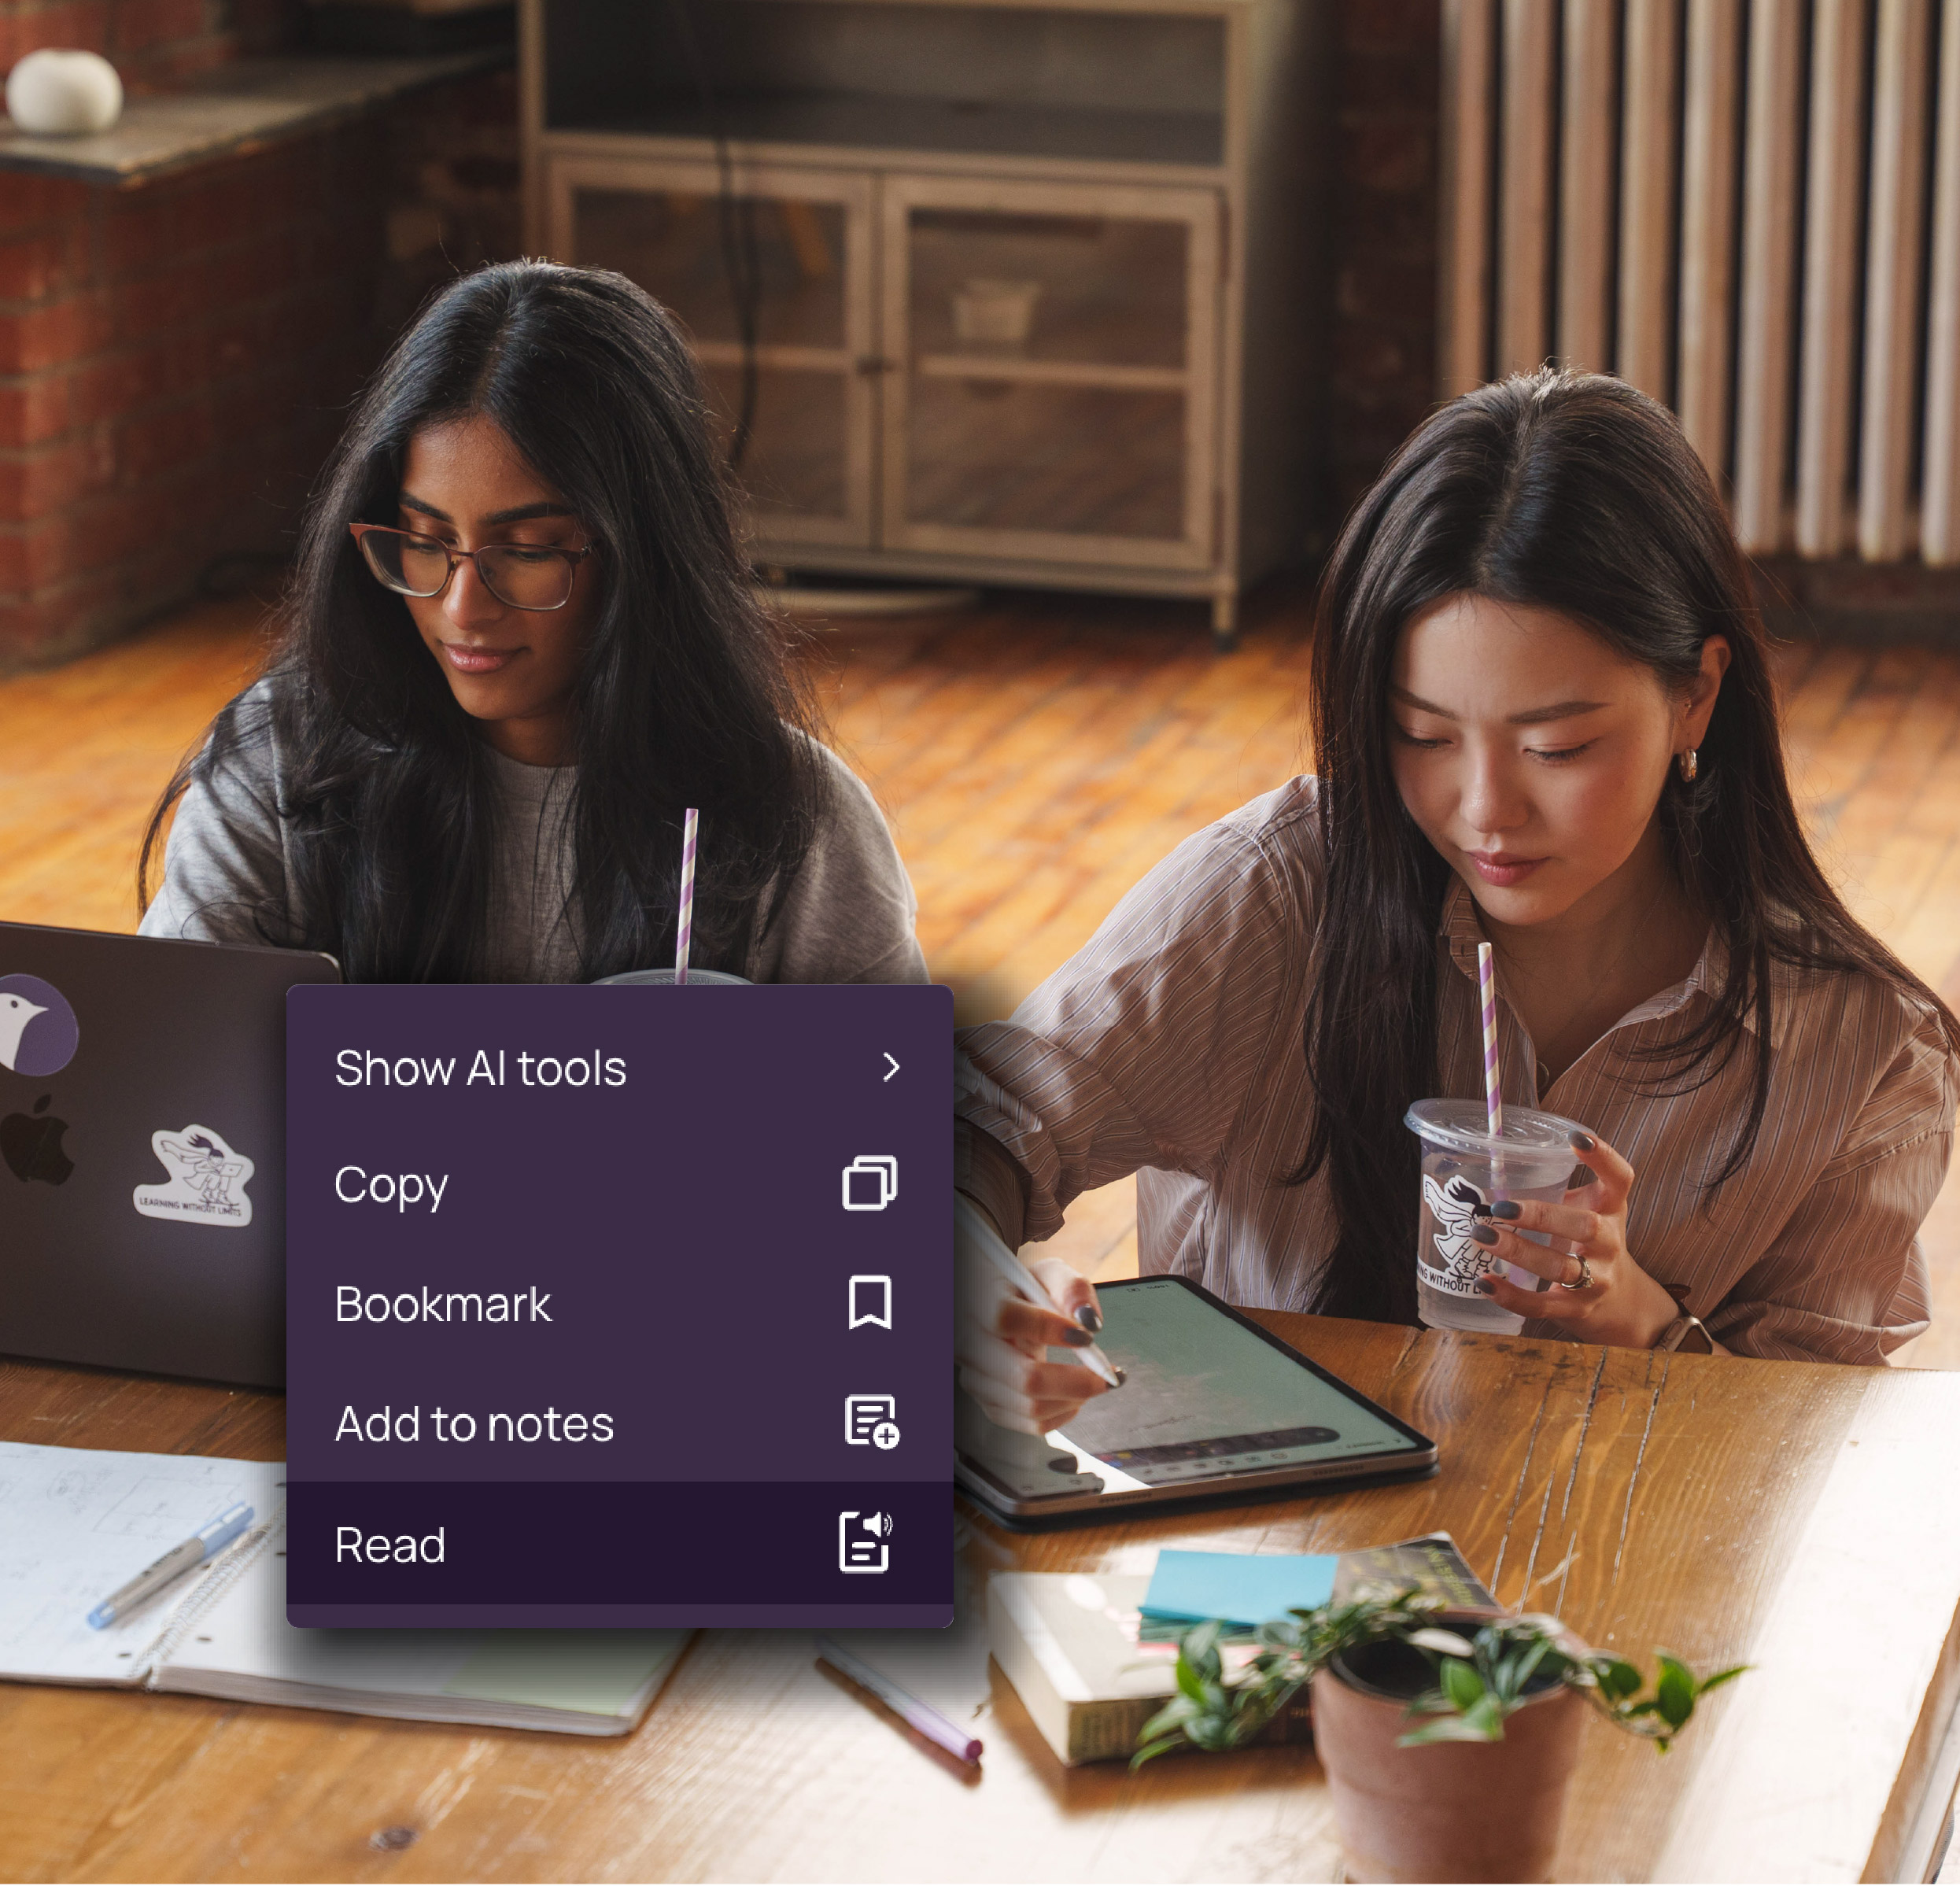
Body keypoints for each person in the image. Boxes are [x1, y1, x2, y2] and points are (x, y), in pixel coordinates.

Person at [956, 368, 1960, 1432]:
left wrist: (1626, 1307)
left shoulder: (1860, 1057)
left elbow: (1812, 1459)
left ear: (1694, 695)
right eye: (1422, 735)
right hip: (1261, 1565)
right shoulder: (1278, 894)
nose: (1482, 809)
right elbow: (979, 1128)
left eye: (1555, 746)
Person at [140, 261, 925, 989]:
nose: (461, 610)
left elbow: (883, 1122)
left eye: (527, 551)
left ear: (644, 554)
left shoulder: (793, 822)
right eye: (424, 542)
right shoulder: (279, 765)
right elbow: (177, 1070)